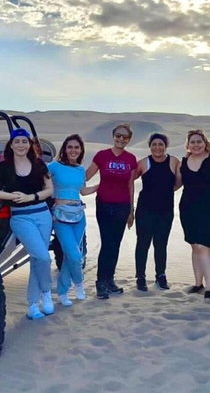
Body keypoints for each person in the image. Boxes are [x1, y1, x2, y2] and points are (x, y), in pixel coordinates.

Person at [0, 128, 54, 320]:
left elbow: (49, 189)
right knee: (43, 257)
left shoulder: (39, 164)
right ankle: (46, 292)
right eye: (17, 142)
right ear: (11, 145)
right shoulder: (4, 167)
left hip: (42, 214)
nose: (21, 145)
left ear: (29, 144)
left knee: (37, 259)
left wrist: (32, 196)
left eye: (24, 141)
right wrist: (12, 196)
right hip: (20, 217)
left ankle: (33, 305)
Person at [85, 123, 138, 299]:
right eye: (118, 136)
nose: (121, 139)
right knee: (107, 243)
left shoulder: (130, 158)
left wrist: (131, 210)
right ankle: (100, 282)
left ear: (129, 139)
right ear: (113, 136)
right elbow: (85, 175)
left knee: (115, 244)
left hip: (122, 206)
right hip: (104, 205)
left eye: (125, 137)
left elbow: (130, 185)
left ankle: (110, 280)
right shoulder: (102, 156)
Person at [47, 134, 98, 306]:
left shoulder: (81, 170)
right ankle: (79, 283)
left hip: (78, 215)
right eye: (70, 147)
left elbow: (82, 191)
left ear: (81, 150)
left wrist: (101, 186)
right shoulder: (54, 166)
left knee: (72, 256)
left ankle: (62, 293)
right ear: (64, 149)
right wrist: (53, 198)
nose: (73, 150)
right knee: (74, 255)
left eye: (77, 147)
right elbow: (41, 183)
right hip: (60, 216)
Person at [178, 129, 210, 299]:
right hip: (188, 209)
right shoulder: (184, 161)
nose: (196, 145)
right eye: (193, 142)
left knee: (204, 246)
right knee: (194, 246)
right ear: (188, 145)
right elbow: (175, 184)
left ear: (205, 143)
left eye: (199, 141)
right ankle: (198, 284)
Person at [134, 133, 179, 291]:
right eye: (154, 144)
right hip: (145, 209)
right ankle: (140, 276)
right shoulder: (143, 162)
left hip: (165, 210)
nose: (157, 147)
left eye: (161, 144)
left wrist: (166, 192)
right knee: (143, 243)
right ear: (150, 146)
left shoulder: (173, 161)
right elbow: (128, 179)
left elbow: (179, 181)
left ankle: (161, 275)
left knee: (161, 243)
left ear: (166, 146)